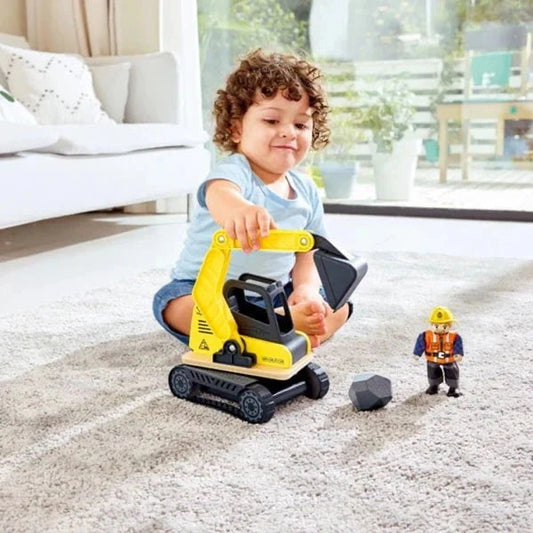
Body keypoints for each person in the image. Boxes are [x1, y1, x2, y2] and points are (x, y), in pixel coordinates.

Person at [153, 48, 352, 348]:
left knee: (339, 305)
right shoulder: (236, 171)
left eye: (300, 125)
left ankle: (282, 326)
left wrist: (306, 290)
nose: (288, 132)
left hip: (274, 295)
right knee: (173, 307)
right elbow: (219, 193)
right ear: (236, 129)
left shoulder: (306, 190)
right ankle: (281, 329)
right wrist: (239, 209)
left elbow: (308, 252)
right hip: (209, 292)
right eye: (272, 121)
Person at [413, 306, 464, 397]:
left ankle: (453, 387)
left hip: (449, 359)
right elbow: (420, 344)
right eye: (436, 326)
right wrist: (417, 353)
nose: (440, 329)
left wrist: (458, 354)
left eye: (444, 326)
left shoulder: (454, 336)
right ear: (431, 324)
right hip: (433, 359)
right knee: (432, 372)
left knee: (452, 371)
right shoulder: (426, 335)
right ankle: (434, 385)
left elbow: (458, 345)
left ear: (450, 325)